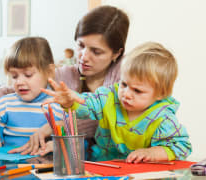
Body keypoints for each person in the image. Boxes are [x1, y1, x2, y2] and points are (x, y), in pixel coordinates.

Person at [0, 5, 130, 154]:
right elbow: (11, 90)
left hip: (112, 157)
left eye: (96, 52)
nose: (84, 56)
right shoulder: (63, 75)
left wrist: (57, 125)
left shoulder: (126, 79)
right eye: (80, 45)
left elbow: (111, 119)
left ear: (116, 53)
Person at [41, 42, 192, 162]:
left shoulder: (163, 118)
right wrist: (69, 101)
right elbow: (88, 104)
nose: (126, 94)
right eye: (124, 84)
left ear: (161, 94)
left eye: (137, 91)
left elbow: (182, 147)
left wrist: (152, 153)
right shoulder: (109, 98)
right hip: (104, 167)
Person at [0, 37, 64, 148]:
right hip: (10, 165)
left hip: (45, 165)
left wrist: (58, 145)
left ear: (49, 72)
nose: (19, 82)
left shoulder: (58, 107)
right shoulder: (5, 105)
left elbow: (72, 148)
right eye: (14, 76)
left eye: (28, 75)